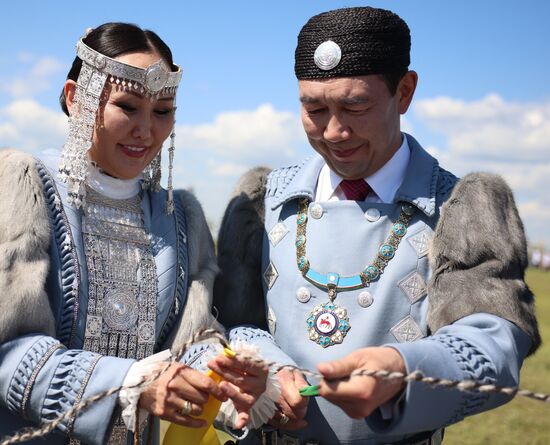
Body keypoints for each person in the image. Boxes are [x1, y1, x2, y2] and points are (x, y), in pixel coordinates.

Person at [214, 6, 540, 445]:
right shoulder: (261, 202)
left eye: (355, 106)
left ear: (404, 92)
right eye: (314, 109)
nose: (333, 131)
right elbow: (228, 326)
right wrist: (269, 371)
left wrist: (402, 369)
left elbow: (493, 339)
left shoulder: (462, 207)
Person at [0, 23, 268, 445]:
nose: (146, 130)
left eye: (162, 112)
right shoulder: (21, 186)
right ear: (76, 98)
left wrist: (220, 376)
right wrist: (128, 382)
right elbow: (8, 349)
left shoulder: (181, 216)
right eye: (127, 107)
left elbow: (191, 339)